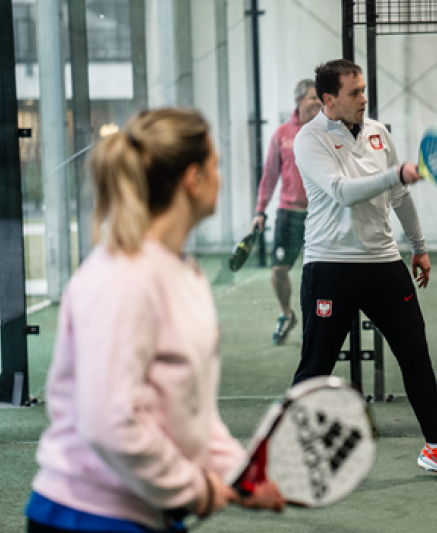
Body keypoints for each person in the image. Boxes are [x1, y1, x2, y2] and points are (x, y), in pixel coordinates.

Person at [25, 108, 286, 533]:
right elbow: (110, 422)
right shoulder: (120, 277)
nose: (221, 178)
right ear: (193, 178)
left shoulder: (186, 273)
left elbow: (189, 411)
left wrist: (240, 477)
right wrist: (195, 489)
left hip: (149, 513)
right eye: (215, 166)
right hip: (83, 517)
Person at [291, 59, 437, 483]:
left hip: (384, 264)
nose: (364, 98)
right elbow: (340, 192)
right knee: (316, 367)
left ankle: (436, 449)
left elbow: (399, 194)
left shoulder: (378, 133)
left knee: (416, 357)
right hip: (330, 267)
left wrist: (420, 248)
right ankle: (289, 450)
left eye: (364, 89)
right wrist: (397, 172)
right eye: (354, 93)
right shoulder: (310, 138)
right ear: (329, 100)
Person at [251, 79, 322, 346]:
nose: (317, 102)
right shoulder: (282, 134)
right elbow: (269, 176)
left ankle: (319, 323)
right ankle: (286, 315)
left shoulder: (325, 131)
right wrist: (260, 210)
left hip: (319, 214)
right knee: (279, 270)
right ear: (299, 101)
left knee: (318, 272)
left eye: (319, 98)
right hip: (288, 214)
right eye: (313, 97)